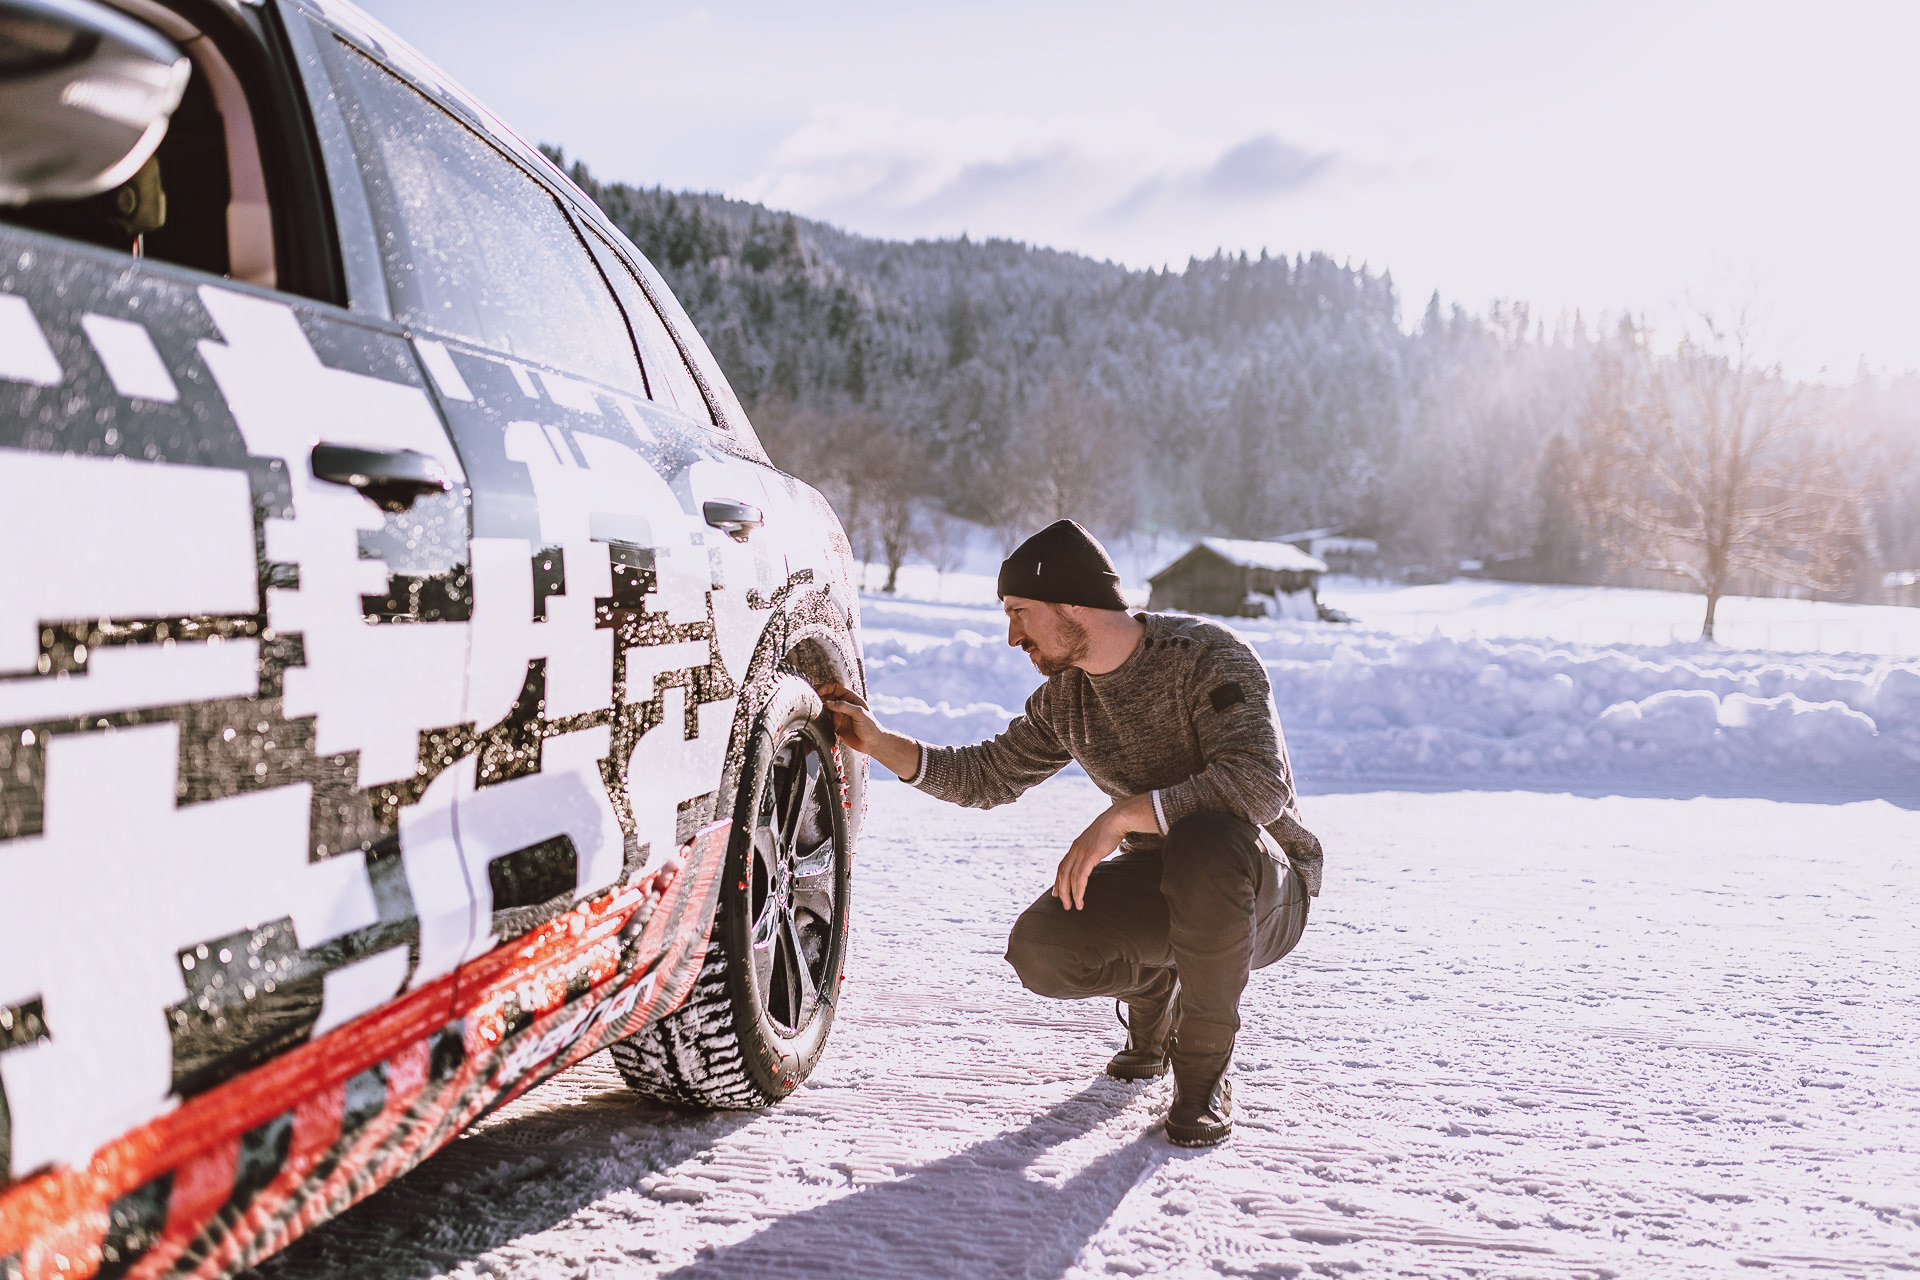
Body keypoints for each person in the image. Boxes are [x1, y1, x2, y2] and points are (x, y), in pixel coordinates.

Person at [818, 519, 1322, 1146]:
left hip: (1261, 888)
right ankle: (1157, 982)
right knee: (1044, 948)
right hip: (1171, 885)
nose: (1011, 636)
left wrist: (1123, 815)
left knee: (1205, 844)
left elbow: (1259, 785)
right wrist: (878, 741)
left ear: (1071, 603)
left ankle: (1203, 1076)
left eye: (1019, 612)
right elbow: (986, 775)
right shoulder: (1067, 699)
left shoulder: (1205, 657)